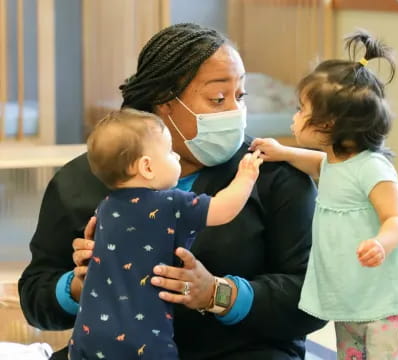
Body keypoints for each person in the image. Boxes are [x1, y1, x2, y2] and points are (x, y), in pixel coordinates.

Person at [18, 23, 326, 360]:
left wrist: (219, 295)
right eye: (218, 99)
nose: (235, 113)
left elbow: (315, 298)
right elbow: (36, 299)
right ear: (164, 101)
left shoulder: (272, 175)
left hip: (243, 350)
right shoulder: (82, 179)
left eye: (240, 97)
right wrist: (80, 284)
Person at [250, 30, 398, 359]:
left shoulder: (372, 167)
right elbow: (319, 165)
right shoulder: (334, 161)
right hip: (352, 295)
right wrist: (282, 152)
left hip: (385, 300)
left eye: (301, 110)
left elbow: (396, 217)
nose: (295, 116)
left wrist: (380, 243)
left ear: (328, 124)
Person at [69, 109, 262, 360]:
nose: (177, 158)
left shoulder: (105, 206)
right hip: (145, 342)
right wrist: (246, 176)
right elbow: (223, 209)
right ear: (147, 167)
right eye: (171, 151)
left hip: (87, 336)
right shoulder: (171, 203)